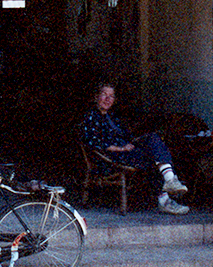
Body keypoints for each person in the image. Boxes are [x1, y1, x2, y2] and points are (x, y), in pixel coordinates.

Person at [81, 83, 190, 215]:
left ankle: (169, 183)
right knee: (155, 155)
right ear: (96, 96)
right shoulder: (91, 117)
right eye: (104, 95)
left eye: (111, 96)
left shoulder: (112, 118)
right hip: (109, 158)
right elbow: (92, 142)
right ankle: (167, 191)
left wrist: (138, 142)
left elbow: (128, 136)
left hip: (127, 153)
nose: (107, 99)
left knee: (154, 143)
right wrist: (121, 149)